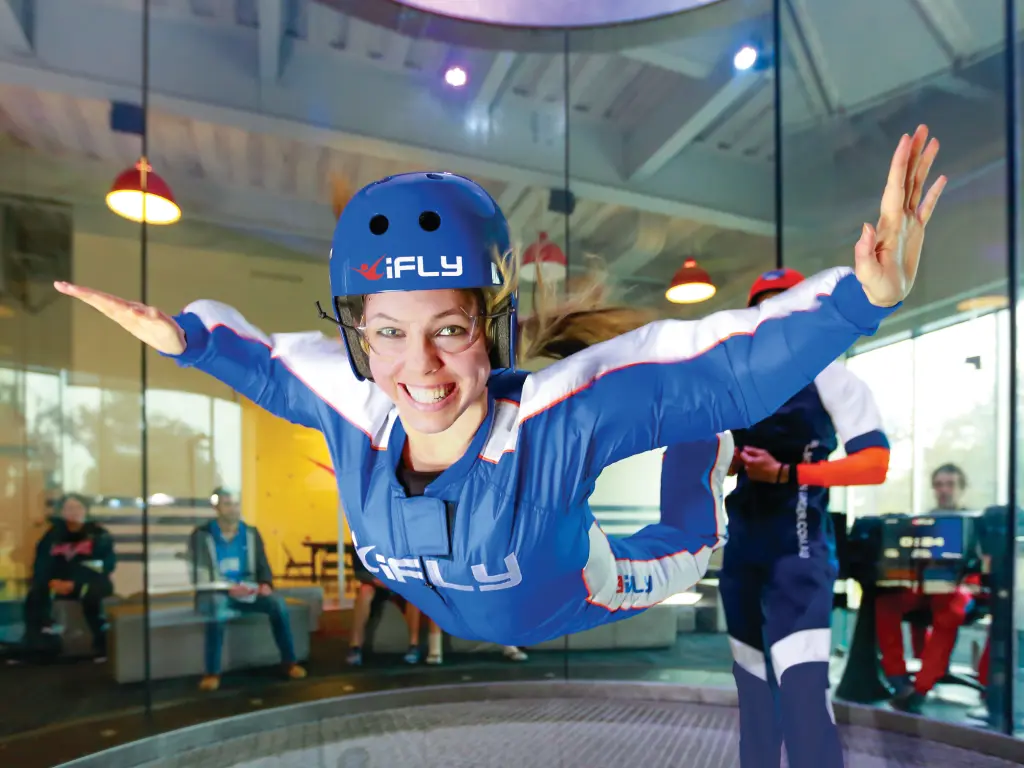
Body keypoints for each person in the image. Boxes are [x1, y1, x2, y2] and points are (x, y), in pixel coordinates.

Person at [55, 126, 945, 648]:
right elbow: (259, 358)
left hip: (579, 588)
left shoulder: (555, 421)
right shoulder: (356, 407)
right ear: (359, 339)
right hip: (456, 600)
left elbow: (717, 365)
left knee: (696, 520)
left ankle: (698, 457)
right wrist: (186, 338)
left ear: (496, 329)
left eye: (450, 330)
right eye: (390, 335)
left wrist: (858, 301)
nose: (422, 369)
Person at [664, 267, 892, 768]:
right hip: (744, 551)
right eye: (764, 305)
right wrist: (728, 464)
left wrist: (786, 473)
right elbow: (699, 455)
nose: (774, 314)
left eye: (784, 302)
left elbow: (875, 464)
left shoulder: (832, 375)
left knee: (803, 690)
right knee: (753, 692)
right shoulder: (736, 385)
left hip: (800, 552)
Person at [875, 463, 979, 714]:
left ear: (961, 488)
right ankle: (898, 679)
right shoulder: (924, 521)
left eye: (950, 484)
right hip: (923, 585)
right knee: (885, 601)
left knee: (949, 612)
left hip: (958, 587)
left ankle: (921, 688)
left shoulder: (975, 521)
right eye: (939, 484)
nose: (944, 490)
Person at [187, 488, 307, 691]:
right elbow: (200, 574)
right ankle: (212, 672)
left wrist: (265, 585)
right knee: (217, 608)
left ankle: (290, 662)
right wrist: (228, 588)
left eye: (235, 504)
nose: (233, 509)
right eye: (227, 504)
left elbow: (263, 566)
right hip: (216, 593)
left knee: (277, 603)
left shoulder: (250, 533)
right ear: (216, 508)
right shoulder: (202, 535)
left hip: (249, 591)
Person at [22, 493, 116, 661]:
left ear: (86, 511)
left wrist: (75, 583)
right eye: (68, 508)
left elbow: (105, 565)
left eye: (77, 508)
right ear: (62, 512)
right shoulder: (51, 536)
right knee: (35, 594)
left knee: (94, 595)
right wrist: (51, 581)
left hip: (88, 582)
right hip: (57, 583)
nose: (73, 512)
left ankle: (101, 645)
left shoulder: (99, 535)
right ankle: (41, 645)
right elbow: (42, 563)